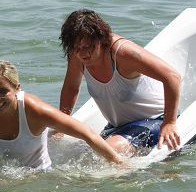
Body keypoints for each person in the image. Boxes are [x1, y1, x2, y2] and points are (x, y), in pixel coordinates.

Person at [59, 9, 181, 153]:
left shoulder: (122, 54)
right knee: (84, 154)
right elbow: (71, 87)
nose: (83, 53)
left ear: (101, 39)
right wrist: (62, 124)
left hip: (155, 119)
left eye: (88, 47)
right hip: (117, 126)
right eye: (77, 48)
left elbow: (172, 76)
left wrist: (170, 123)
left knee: (108, 151)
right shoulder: (77, 56)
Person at [0, 60, 126, 169]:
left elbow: (87, 133)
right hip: (3, 177)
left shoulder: (36, 112)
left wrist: (118, 163)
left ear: (17, 88)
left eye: (3, 91)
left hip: (37, 177)